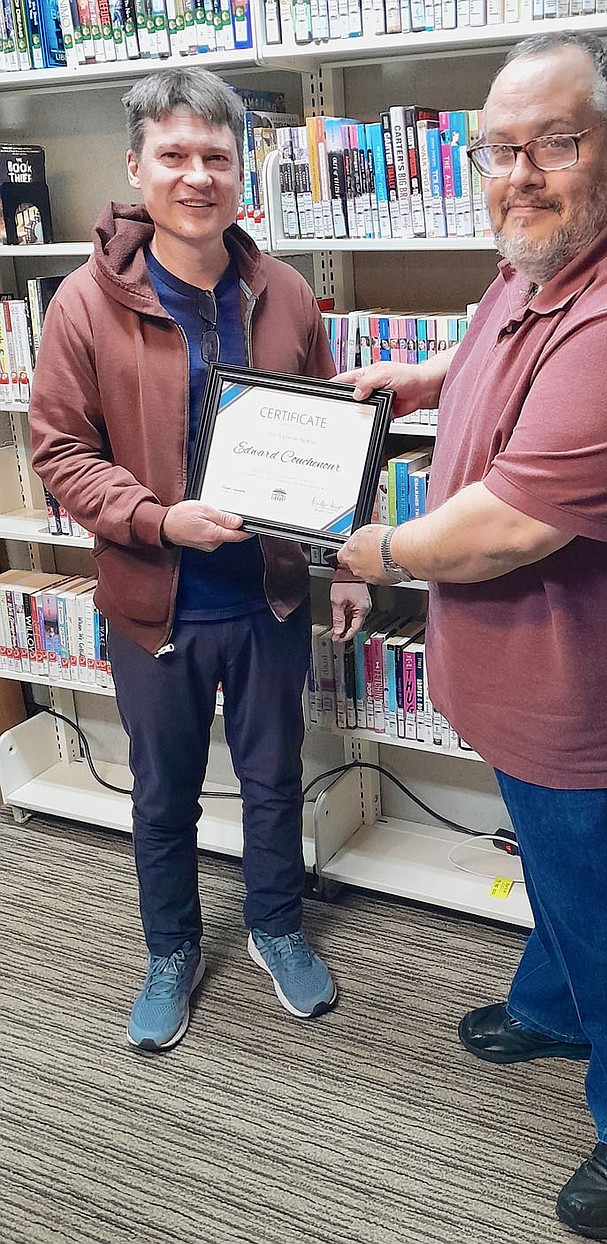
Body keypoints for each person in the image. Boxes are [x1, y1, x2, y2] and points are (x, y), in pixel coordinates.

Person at [337, 32, 607, 1241]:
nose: (517, 172)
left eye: (554, 143)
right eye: (498, 148)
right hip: (540, 682)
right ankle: (559, 1003)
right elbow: (500, 347)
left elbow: (504, 530)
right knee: (564, 871)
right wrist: (421, 381)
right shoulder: (558, 244)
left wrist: (374, 551)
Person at [28, 67, 370, 1053]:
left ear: (242, 171)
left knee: (273, 779)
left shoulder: (287, 292)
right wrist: (154, 518)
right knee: (162, 789)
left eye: (215, 156)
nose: (195, 175)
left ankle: (274, 925)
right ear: (136, 168)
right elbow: (59, 452)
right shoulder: (86, 306)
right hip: (154, 603)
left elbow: (329, 439)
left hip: (265, 599)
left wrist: (342, 558)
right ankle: (169, 948)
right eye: (172, 155)